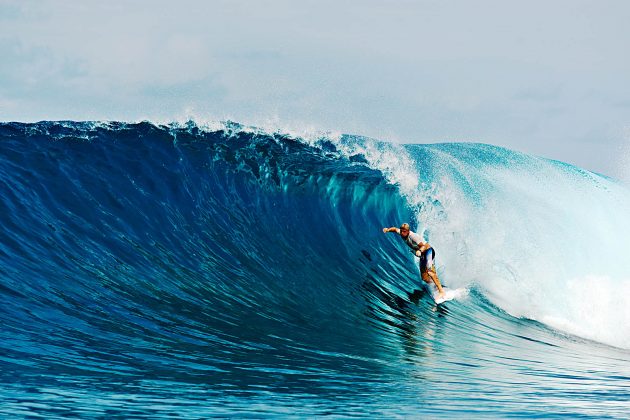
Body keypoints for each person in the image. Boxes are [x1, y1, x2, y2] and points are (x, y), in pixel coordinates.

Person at [382, 223, 445, 298]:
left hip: (428, 251)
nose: (402, 233)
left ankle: (441, 291)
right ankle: (436, 286)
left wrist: (419, 251)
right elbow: (395, 229)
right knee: (424, 278)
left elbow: (424, 246)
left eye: (404, 231)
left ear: (408, 231)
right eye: (401, 231)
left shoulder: (413, 236)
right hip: (422, 255)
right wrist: (388, 229)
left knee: (430, 272)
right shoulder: (402, 233)